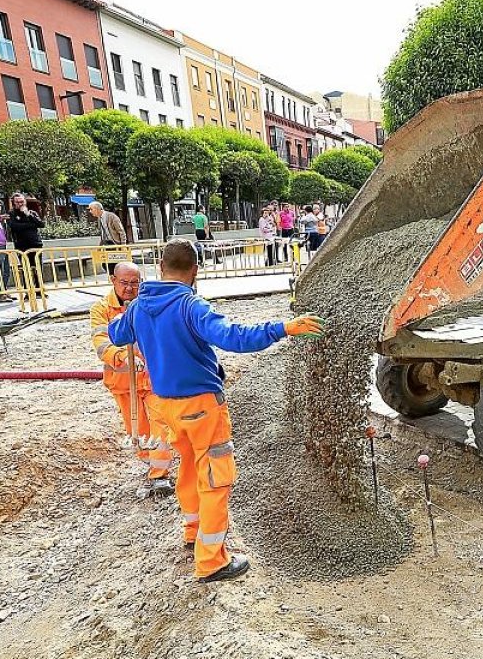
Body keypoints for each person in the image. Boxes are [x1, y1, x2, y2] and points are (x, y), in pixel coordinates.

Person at [107, 239, 325, 582]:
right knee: (215, 478)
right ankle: (211, 561)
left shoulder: (137, 307)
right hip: (201, 407)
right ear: (194, 272)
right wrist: (284, 327)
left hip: (165, 407)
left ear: (161, 268)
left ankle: (193, 532)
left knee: (190, 469)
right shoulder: (191, 306)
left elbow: (116, 334)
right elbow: (234, 337)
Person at [89, 261, 174, 496]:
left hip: (151, 379)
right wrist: (120, 357)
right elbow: (100, 342)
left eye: (134, 283)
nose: (129, 288)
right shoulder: (101, 309)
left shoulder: (147, 306)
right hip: (123, 383)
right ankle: (150, 464)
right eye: (124, 282)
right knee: (138, 430)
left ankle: (160, 475)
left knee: (161, 423)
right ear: (113, 281)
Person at [89, 201, 126, 275]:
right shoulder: (99, 219)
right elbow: (103, 234)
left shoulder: (111, 216)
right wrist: (99, 248)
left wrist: (123, 245)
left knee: (116, 265)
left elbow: (121, 231)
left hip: (115, 245)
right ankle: (115, 279)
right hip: (107, 245)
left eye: (91, 209)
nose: (90, 211)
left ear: (97, 209)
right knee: (105, 265)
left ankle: (118, 279)